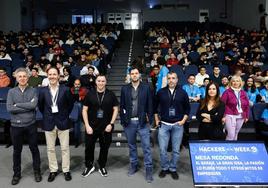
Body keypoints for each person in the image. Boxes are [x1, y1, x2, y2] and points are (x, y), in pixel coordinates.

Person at [38, 67, 74, 182]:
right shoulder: (43, 91)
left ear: (58, 76)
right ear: (47, 76)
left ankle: (66, 170)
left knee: (65, 148)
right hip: (48, 122)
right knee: (50, 149)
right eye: (50, 74)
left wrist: (63, 115)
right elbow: (41, 106)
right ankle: (53, 170)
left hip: (63, 121)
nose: (52, 76)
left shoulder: (66, 89)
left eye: (54, 74)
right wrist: (48, 116)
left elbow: (70, 105)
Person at [6, 68, 41, 185]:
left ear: (28, 78)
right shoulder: (11, 92)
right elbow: (10, 108)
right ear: (16, 78)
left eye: (24, 76)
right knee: (17, 151)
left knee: (34, 149)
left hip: (31, 124)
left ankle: (37, 171)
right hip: (16, 126)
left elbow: (33, 105)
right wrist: (27, 106)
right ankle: (16, 174)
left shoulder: (33, 91)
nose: (22, 78)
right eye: (19, 76)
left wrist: (18, 105)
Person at [120, 67, 154, 183]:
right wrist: (124, 120)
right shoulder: (125, 88)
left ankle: (149, 169)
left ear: (139, 75)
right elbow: (122, 106)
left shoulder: (146, 88)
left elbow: (150, 104)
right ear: (130, 76)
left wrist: (150, 119)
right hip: (129, 123)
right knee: (132, 146)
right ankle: (133, 165)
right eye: (132, 74)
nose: (134, 75)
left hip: (142, 122)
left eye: (136, 73)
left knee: (146, 147)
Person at [154, 71, 190, 180]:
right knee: (162, 150)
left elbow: (187, 109)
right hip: (164, 124)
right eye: (169, 78)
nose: (171, 80)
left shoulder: (183, 93)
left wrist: (183, 121)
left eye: (173, 78)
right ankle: (165, 168)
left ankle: (173, 168)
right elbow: (155, 107)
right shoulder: (160, 92)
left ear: (177, 79)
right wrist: (156, 120)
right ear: (167, 80)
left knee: (175, 150)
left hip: (177, 125)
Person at [81, 75, 119, 177]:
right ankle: (89, 166)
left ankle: (102, 165)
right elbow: (84, 110)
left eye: (103, 81)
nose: (101, 83)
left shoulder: (111, 94)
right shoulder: (90, 94)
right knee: (89, 148)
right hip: (91, 127)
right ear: (95, 82)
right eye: (99, 81)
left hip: (106, 127)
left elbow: (115, 109)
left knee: (104, 147)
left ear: (106, 82)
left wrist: (111, 123)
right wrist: (87, 125)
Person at [221, 75, 250, 140]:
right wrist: (223, 116)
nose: (235, 83)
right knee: (231, 134)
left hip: (241, 115)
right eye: (233, 81)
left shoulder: (243, 93)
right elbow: (222, 105)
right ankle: (228, 149)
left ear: (240, 83)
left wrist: (247, 116)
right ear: (231, 83)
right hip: (229, 115)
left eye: (237, 81)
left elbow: (247, 105)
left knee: (236, 133)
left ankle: (234, 148)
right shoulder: (227, 92)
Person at [70, 79, 88, 147]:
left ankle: (85, 140)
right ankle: (77, 140)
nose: (77, 85)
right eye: (75, 84)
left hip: (82, 108)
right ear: (74, 84)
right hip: (73, 108)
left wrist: (81, 97)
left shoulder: (84, 90)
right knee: (76, 122)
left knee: (79, 105)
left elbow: (86, 98)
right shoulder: (71, 90)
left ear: (80, 84)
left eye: (78, 84)